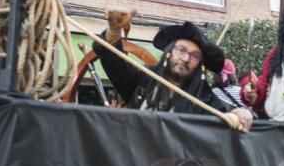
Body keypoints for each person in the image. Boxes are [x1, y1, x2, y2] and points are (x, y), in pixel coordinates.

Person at [93, 11, 254, 131]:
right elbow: (114, 62)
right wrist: (114, 31)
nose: (185, 59)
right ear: (169, 52)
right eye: (181, 50)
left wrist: (240, 112)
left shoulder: (203, 98)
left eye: (194, 56)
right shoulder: (144, 79)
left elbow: (225, 115)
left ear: (199, 64)